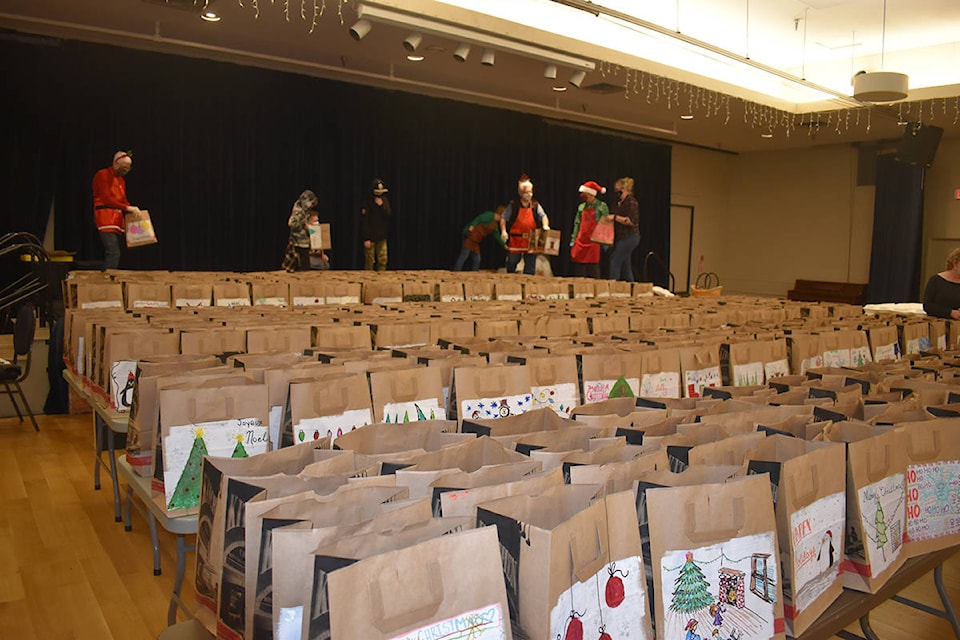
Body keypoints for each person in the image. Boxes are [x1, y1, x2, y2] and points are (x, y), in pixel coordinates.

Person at [92, 150, 140, 270]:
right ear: (116, 163)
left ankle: (111, 276)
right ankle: (108, 281)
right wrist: (127, 208)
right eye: (124, 167)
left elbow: (123, 200)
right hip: (105, 217)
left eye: (128, 168)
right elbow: (106, 198)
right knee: (113, 251)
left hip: (117, 219)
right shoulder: (103, 175)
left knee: (116, 251)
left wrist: (132, 209)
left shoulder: (121, 180)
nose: (126, 170)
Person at [500, 174, 550, 275]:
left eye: (530, 192)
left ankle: (528, 283)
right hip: (516, 239)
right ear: (521, 193)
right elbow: (503, 218)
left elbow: (543, 216)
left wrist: (545, 225)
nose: (529, 194)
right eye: (526, 192)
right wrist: (503, 231)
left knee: (530, 264)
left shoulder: (535, 205)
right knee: (512, 261)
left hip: (531, 239)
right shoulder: (514, 205)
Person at [569, 180, 610, 278]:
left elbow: (606, 224)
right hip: (581, 240)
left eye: (584, 194)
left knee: (593, 268)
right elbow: (577, 223)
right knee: (579, 267)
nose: (582, 196)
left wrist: (605, 241)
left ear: (590, 194)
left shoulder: (601, 206)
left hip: (594, 241)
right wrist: (573, 239)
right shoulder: (581, 207)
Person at [608, 176, 641, 282]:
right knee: (626, 265)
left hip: (630, 236)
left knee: (615, 260)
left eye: (619, 190)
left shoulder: (631, 202)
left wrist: (615, 217)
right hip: (621, 237)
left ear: (625, 189)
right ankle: (632, 287)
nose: (616, 192)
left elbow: (630, 221)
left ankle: (611, 287)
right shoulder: (617, 203)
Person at [454, 205, 506, 271]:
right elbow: (478, 219)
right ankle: (456, 271)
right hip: (470, 236)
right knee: (464, 254)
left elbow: (497, 235)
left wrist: (504, 245)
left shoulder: (494, 225)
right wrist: (472, 226)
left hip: (476, 240)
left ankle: (474, 273)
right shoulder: (489, 215)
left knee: (476, 258)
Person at [282, 190, 318, 272]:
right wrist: (304, 225)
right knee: (300, 267)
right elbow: (291, 223)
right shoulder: (298, 210)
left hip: (304, 242)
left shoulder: (306, 210)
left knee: (304, 266)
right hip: (298, 243)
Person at [360, 178, 391, 270]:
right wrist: (366, 238)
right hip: (370, 236)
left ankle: (381, 277)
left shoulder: (384, 201)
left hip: (381, 235)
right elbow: (364, 221)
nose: (379, 193)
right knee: (370, 260)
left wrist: (381, 206)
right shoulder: (367, 203)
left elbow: (388, 215)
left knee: (383, 259)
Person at [923, 248, 960, 319]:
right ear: (955, 263)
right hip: (937, 325)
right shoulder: (936, 280)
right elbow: (928, 306)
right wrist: (950, 312)